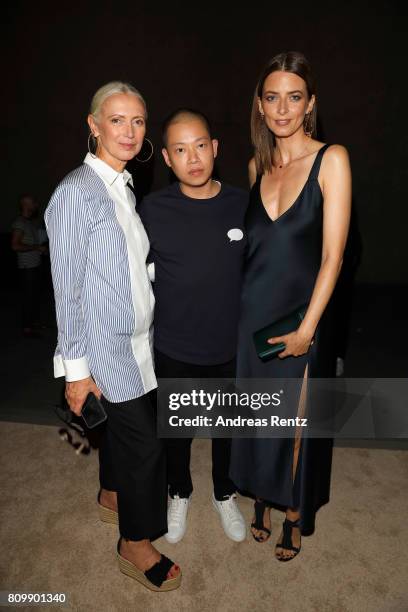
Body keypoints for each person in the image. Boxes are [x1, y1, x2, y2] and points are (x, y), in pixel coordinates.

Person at [45, 82, 181, 592]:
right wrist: (76, 373)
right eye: (117, 120)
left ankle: (109, 495)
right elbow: (67, 288)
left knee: (124, 438)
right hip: (105, 349)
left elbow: (126, 266)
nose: (129, 131)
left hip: (139, 338)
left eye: (138, 121)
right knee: (147, 447)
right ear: (93, 124)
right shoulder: (75, 193)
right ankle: (135, 542)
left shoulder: (121, 186)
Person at [230, 51, 351, 561]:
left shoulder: (332, 159)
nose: (282, 108)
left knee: (295, 421)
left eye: (294, 97)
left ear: (310, 104)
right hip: (253, 315)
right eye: (272, 97)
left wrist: (308, 328)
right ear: (260, 105)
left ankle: (295, 513)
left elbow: (333, 256)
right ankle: (260, 498)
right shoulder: (258, 164)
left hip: (304, 319)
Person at [139, 109, 248, 544]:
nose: (193, 157)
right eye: (181, 150)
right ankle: (179, 491)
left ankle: (225, 492)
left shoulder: (243, 203)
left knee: (228, 431)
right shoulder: (153, 208)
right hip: (175, 346)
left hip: (229, 346)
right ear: (167, 158)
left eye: (200, 145)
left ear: (215, 148)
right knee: (177, 433)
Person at [11, 194, 46, 336]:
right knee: (28, 297)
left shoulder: (30, 222)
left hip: (35, 265)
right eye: (33, 202)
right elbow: (15, 245)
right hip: (27, 268)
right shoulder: (19, 223)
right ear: (26, 205)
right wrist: (37, 248)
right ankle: (27, 328)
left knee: (35, 296)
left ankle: (34, 323)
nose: (36, 205)